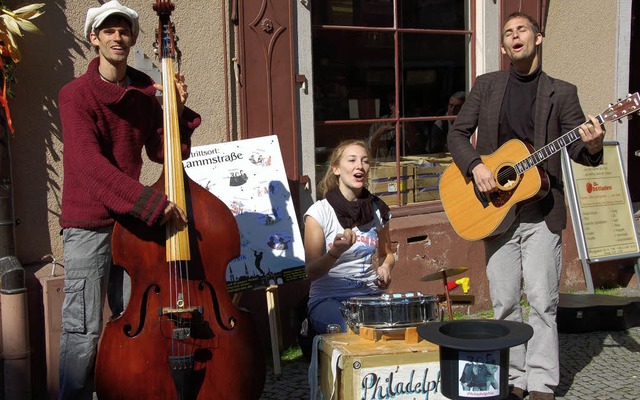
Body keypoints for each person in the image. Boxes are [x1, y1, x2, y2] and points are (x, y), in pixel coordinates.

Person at [447, 12, 605, 400]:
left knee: (542, 300)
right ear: (503, 48)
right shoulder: (486, 86)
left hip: (541, 210)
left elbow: (577, 150)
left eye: (522, 30)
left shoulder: (562, 92)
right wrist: (476, 166)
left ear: (539, 38)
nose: (515, 36)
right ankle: (513, 377)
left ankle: (541, 382)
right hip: (493, 209)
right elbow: (457, 134)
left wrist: (594, 144)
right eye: (508, 33)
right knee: (503, 301)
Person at [57, 1, 201, 399]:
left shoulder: (143, 90)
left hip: (131, 222)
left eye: (124, 31)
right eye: (108, 31)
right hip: (89, 224)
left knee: (132, 319)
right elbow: (90, 166)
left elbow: (162, 151)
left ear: (133, 38)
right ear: (94, 39)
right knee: (82, 328)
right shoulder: (74, 95)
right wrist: (151, 205)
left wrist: (175, 109)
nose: (117, 37)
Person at [304, 139, 396, 333]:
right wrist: (335, 253)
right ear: (336, 168)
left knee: (397, 329)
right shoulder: (319, 213)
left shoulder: (377, 210)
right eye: (352, 160)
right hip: (329, 298)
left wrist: (386, 267)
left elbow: (387, 254)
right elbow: (310, 272)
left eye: (364, 161)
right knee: (350, 331)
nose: (359, 166)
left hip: (370, 296)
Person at [368, 93, 422, 159]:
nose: (399, 108)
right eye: (396, 104)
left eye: (401, 104)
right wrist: (380, 131)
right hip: (382, 165)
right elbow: (369, 147)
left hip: (403, 165)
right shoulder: (377, 124)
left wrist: (408, 129)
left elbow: (417, 149)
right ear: (391, 106)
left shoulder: (409, 123)